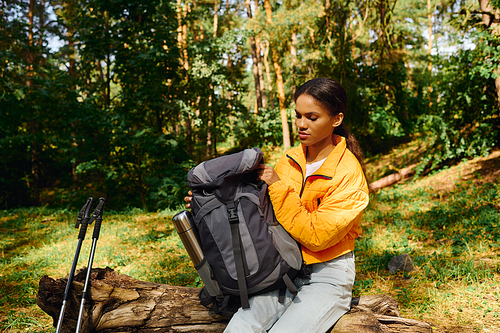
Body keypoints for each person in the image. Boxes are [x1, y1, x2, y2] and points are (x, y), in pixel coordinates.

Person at [185, 77, 369, 333]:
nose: (301, 124)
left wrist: (278, 187)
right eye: (298, 116)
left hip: (328, 276)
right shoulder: (289, 159)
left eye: (312, 118)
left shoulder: (348, 173)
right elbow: (258, 212)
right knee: (239, 328)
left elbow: (316, 236)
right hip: (280, 271)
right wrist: (210, 204)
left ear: (336, 119)